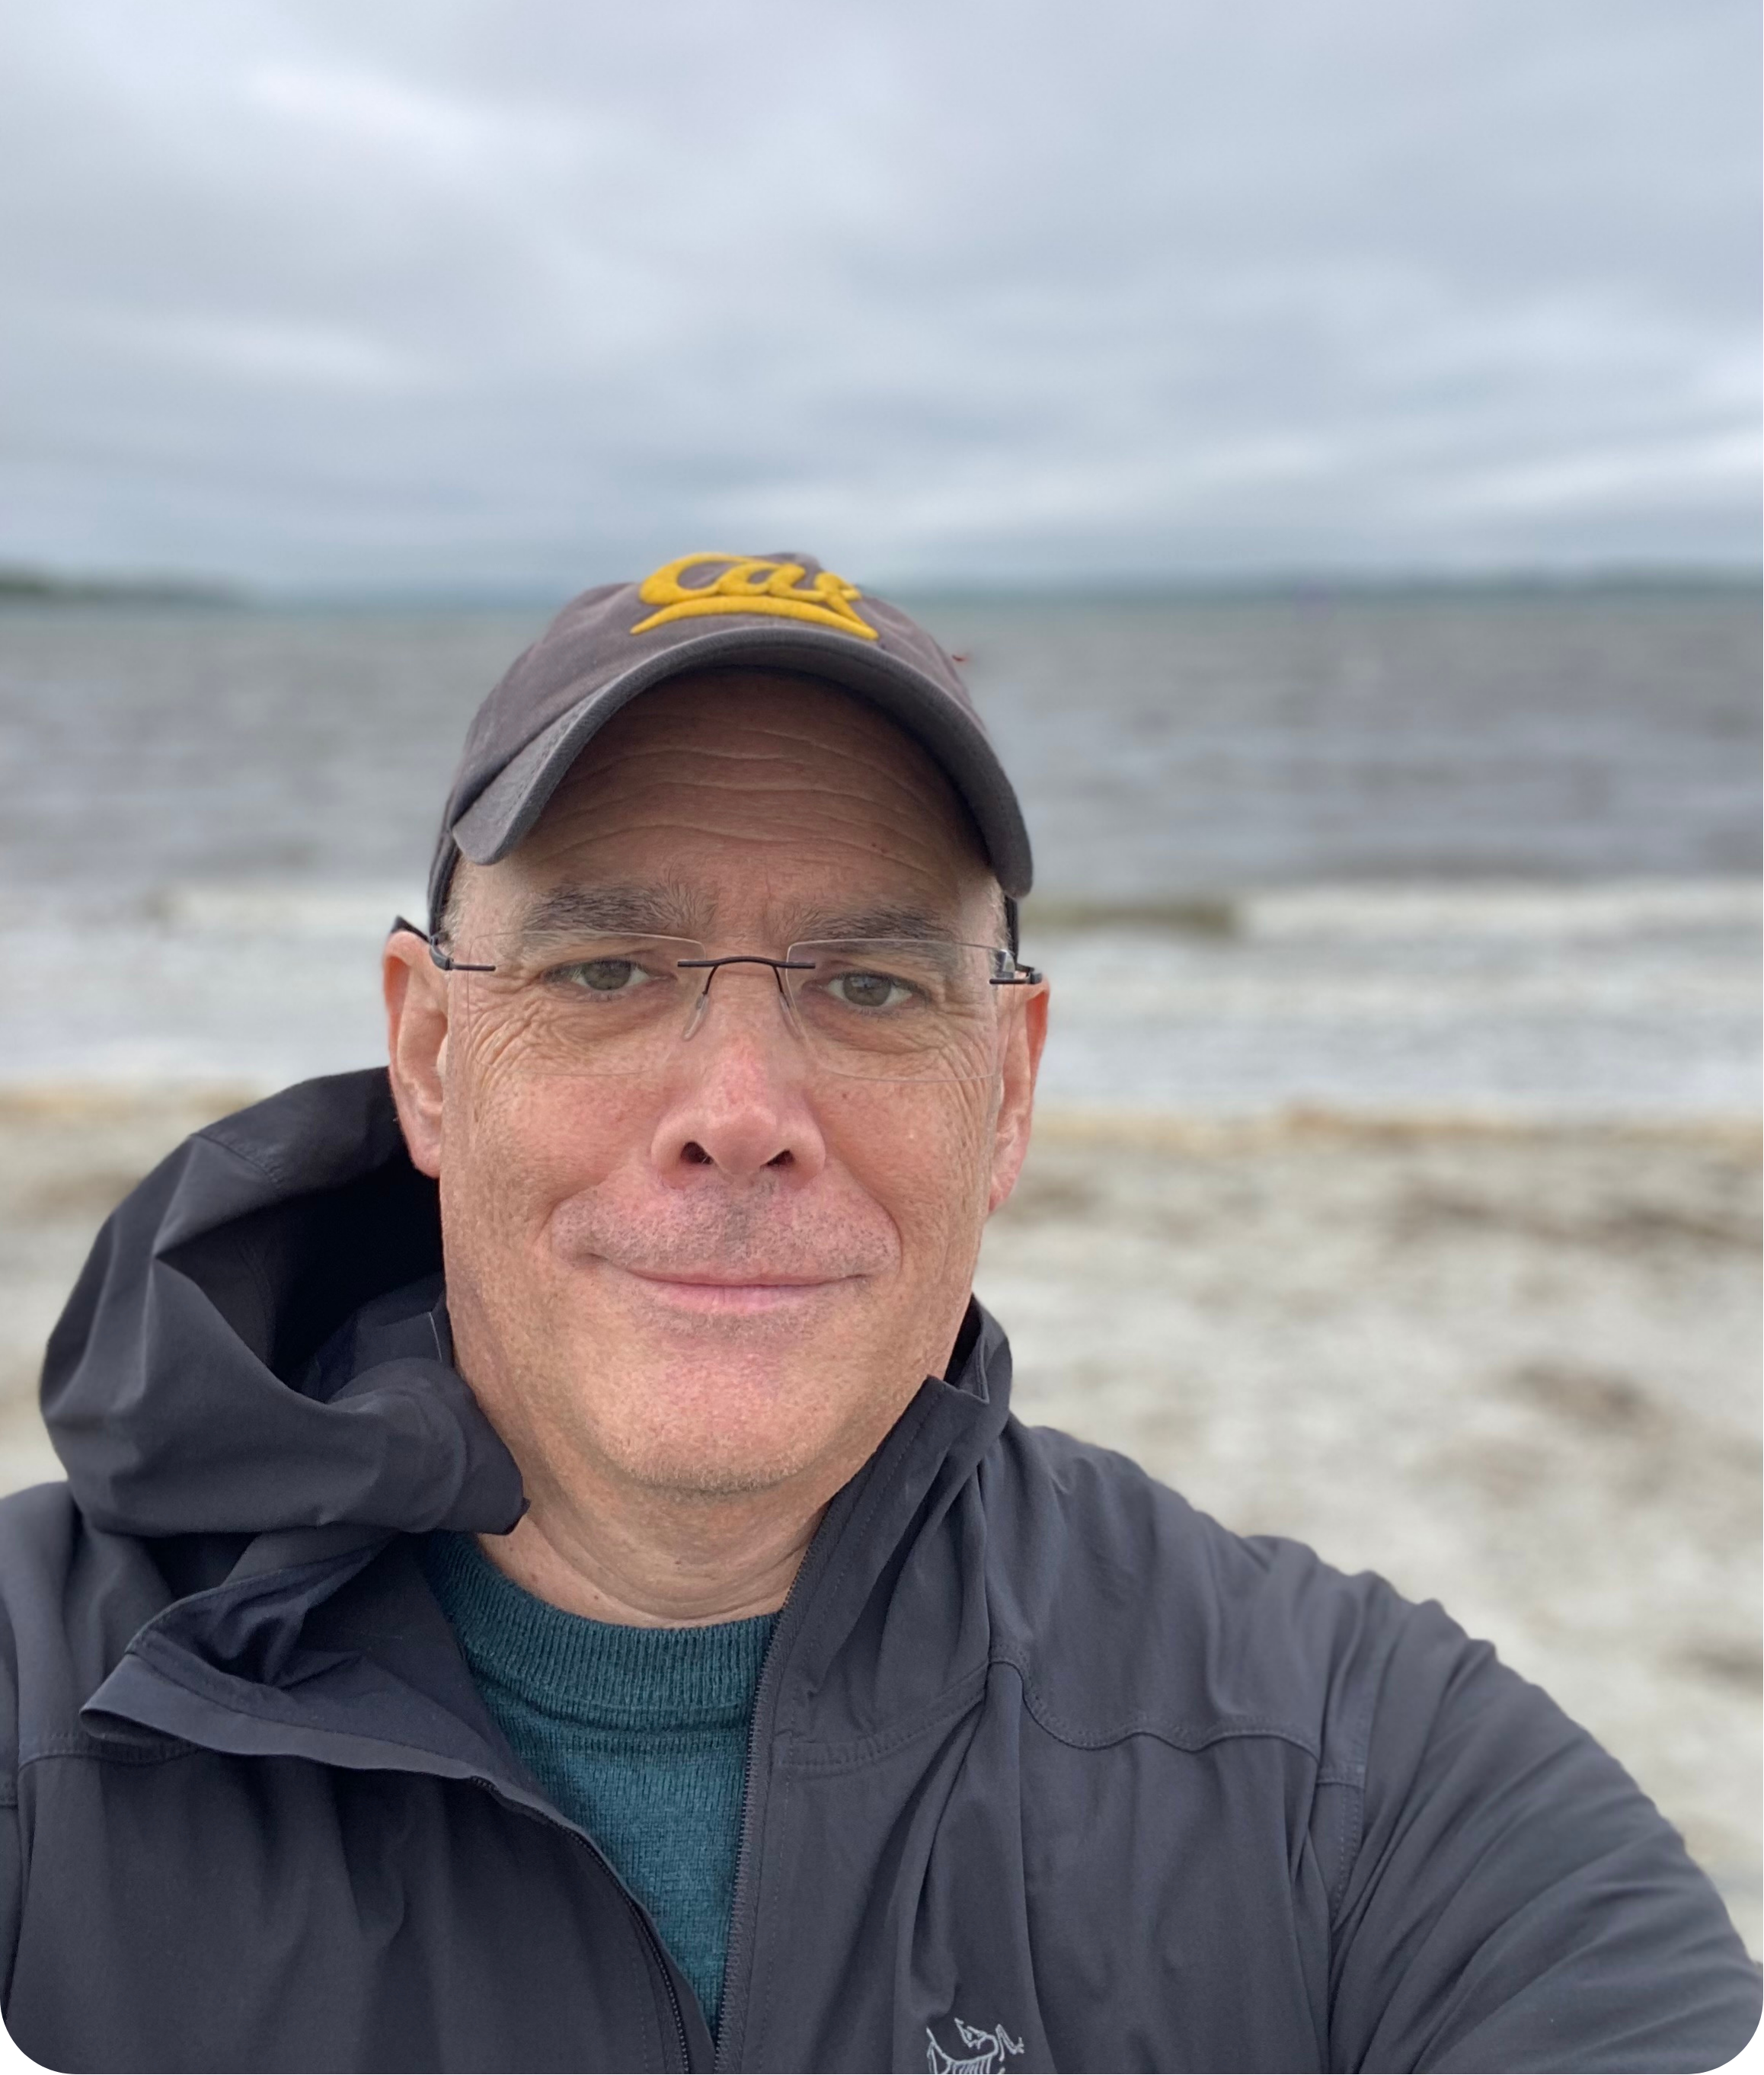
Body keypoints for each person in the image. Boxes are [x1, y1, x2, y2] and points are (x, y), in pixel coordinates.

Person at [0, 550, 1754, 2075]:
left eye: (871, 982)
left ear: (1009, 1089)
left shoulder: (1361, 1777)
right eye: (605, 968)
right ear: (432, 1052)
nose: (740, 1108)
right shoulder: (42, 1706)